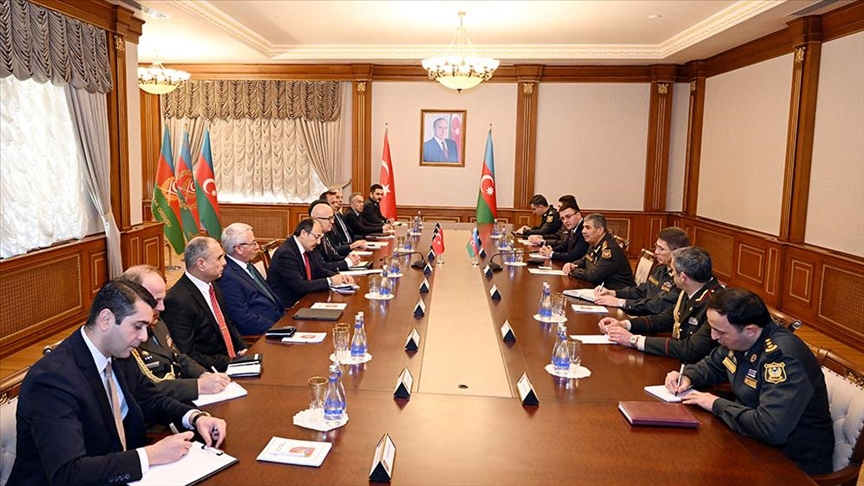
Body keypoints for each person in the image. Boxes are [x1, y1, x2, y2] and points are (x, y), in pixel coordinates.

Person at [9, 279, 228, 485]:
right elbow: (68, 473)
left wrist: (195, 417)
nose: (144, 337)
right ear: (106, 319)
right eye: (138, 326)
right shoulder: (52, 379)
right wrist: (150, 455)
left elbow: (151, 399)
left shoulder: (118, 353)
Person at [665, 288, 833, 474]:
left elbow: (770, 428)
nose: (713, 337)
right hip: (750, 443)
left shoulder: (782, 359)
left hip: (792, 464)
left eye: (720, 331)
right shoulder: (740, 340)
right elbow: (714, 365)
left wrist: (716, 404)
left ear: (750, 330)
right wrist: (688, 376)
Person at [121, 265, 231, 403]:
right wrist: (198, 386)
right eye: (155, 301)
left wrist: (204, 375)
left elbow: (179, 358)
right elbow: (143, 389)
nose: (162, 307)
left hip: (178, 401)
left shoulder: (158, 323)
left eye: (162, 299)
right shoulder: (125, 338)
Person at [599, 246, 723, 363]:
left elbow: (691, 349)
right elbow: (665, 319)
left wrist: (634, 340)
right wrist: (625, 324)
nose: (671, 274)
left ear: (683, 277)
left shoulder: (716, 305)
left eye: (673, 271)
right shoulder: (692, 289)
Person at [161, 236, 248, 372]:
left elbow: (226, 323)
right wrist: (231, 362)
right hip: (210, 373)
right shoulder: (177, 301)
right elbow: (187, 355)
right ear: (201, 264)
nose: (224, 263)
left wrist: (243, 349)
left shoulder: (212, 285)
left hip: (231, 363)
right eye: (219, 258)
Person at [593, 227, 691, 315]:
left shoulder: (681, 278)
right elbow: (643, 290)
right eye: (656, 246)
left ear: (677, 252)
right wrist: (613, 293)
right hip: (643, 315)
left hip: (655, 322)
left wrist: (621, 302)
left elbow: (657, 305)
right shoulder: (661, 268)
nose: (656, 252)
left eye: (661, 249)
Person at [266, 218, 356, 308]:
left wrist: (340, 277)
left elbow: (319, 271)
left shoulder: (307, 247)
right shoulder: (286, 253)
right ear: (303, 233)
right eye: (316, 237)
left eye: (320, 238)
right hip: (291, 306)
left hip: (306, 298)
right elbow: (300, 286)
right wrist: (330, 281)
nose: (318, 242)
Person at [217, 223, 285, 335]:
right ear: (239, 249)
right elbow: (243, 318)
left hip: (279, 321)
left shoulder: (247, 265)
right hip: (262, 334)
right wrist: (277, 329)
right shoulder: (227, 277)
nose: (257, 246)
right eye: (253, 243)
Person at [562, 213, 635, 290]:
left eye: (588, 227)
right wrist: (571, 265)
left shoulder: (610, 250)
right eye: (583, 227)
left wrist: (573, 271)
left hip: (617, 292)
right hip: (601, 289)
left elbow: (594, 276)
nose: (583, 231)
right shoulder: (594, 243)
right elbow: (584, 261)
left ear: (600, 230)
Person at [309, 200, 361, 272]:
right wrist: (347, 263)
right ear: (316, 219)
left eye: (332, 218)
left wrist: (349, 258)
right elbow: (321, 266)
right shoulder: (311, 238)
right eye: (329, 219)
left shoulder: (324, 235)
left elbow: (333, 257)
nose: (332, 222)